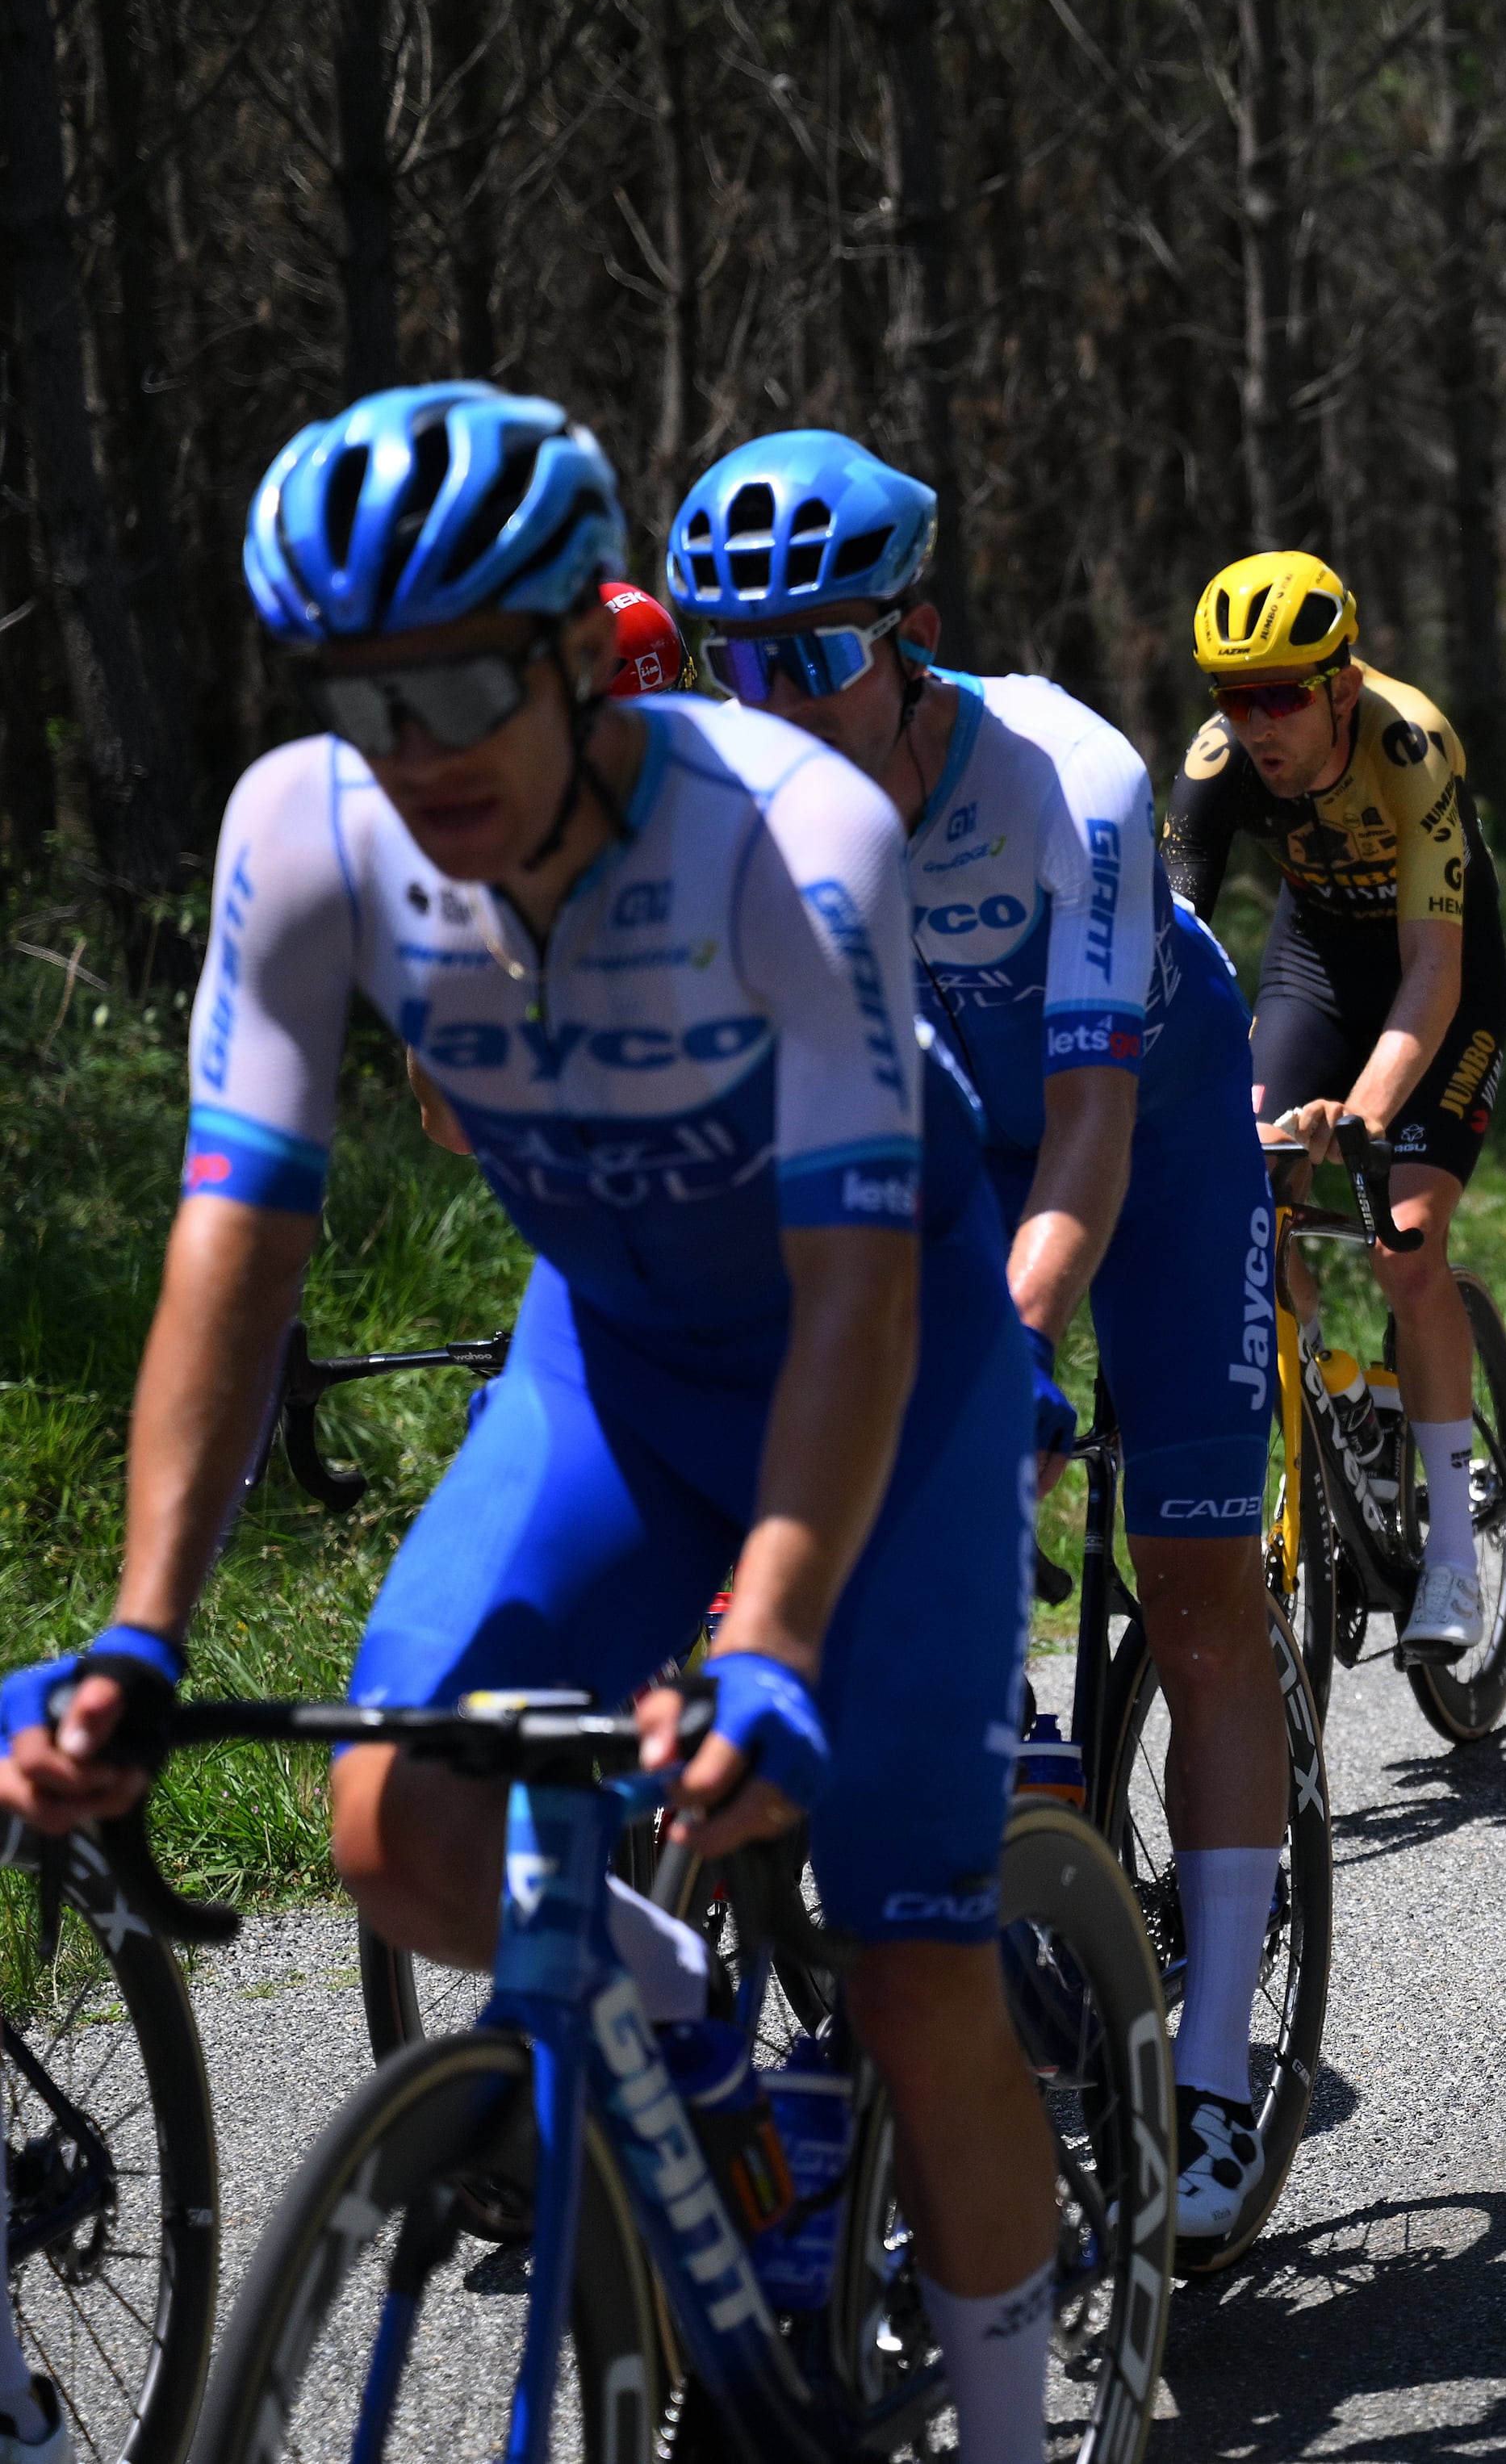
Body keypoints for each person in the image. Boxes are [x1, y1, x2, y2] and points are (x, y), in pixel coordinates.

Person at [0, 383, 1061, 2462]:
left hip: (895, 1377)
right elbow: (235, 1247)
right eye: (363, 697)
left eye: (472, 680)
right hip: (616, 1366)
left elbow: (859, 1288)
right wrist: (143, 1632)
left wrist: (766, 1635)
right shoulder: (304, 832)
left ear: (591, 649)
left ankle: (1015, 2424)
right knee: (400, 1823)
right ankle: (690, 2051)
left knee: (916, 1954)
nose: (417, 754)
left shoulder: (792, 834)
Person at [663, 429, 1284, 2246]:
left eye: (814, 658)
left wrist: (993, 1359)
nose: (767, 702)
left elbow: (1084, 1140)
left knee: (1191, 1579)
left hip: (1143, 1133)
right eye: (731, 661)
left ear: (915, 633)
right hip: (939, 1144)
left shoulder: (1060, 776)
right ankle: (1003, 1816)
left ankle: (1226, 2059)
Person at [1160, 553, 1506, 1675]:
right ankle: (1343, 1393)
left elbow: (1433, 973)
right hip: (1314, 963)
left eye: (1280, 694)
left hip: (1438, 974)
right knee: (1245, 1202)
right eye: (1232, 693)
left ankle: (1452, 1551)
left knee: (1405, 1240)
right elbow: (1175, 950)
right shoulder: (1217, 764)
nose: (1253, 721)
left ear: (1341, 686)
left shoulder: (1411, 746)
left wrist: (1357, 1117)